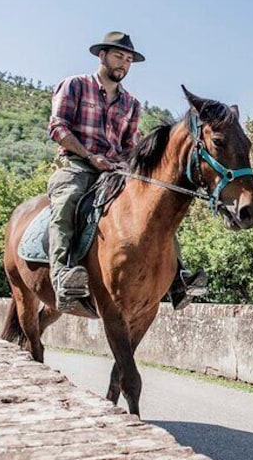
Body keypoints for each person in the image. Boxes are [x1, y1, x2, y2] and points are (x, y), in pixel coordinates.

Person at [47, 31, 205, 311]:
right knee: (66, 203)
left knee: (156, 208)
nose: (124, 64)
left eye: (129, 60)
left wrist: (125, 164)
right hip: (76, 165)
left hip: (115, 171)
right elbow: (58, 127)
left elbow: (130, 144)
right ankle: (61, 276)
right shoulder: (74, 85)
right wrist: (90, 156)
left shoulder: (131, 103)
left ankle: (178, 278)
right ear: (102, 55)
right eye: (119, 56)